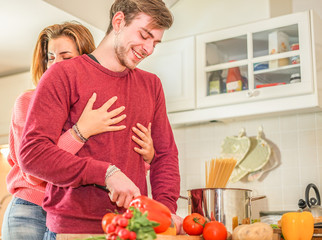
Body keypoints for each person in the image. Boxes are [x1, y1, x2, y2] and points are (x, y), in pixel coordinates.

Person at [19, 0, 182, 237]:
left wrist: (164, 211)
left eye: (155, 42)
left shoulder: (151, 85)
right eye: (144, 35)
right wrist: (106, 173)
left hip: (134, 227)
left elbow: (166, 156)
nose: (148, 49)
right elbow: (33, 154)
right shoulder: (63, 75)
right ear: (118, 22)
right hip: (75, 230)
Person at [2, 21, 155, 240]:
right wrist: (80, 131)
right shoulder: (28, 101)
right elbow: (33, 171)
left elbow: (112, 167)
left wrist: (147, 157)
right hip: (30, 210)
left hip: (73, 211)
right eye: (50, 57)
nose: (55, 65)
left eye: (66, 57)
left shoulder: (97, 108)